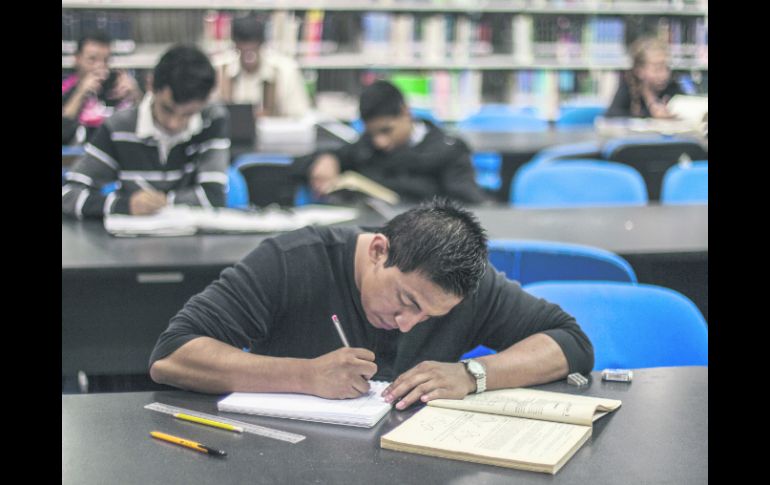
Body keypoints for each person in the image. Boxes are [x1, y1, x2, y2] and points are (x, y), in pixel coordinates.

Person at [149, 198, 593, 410]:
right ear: (379, 250)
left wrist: (473, 374)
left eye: (428, 316)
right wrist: (304, 375)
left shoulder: (463, 287)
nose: (407, 325)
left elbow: (570, 342)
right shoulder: (291, 261)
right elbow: (172, 356)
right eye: (405, 301)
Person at [62, 44, 229, 219]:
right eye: (167, 109)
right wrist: (125, 205)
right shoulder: (119, 126)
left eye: (188, 114)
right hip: (130, 243)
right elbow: (68, 195)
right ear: (150, 84)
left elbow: (214, 197)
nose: (174, 124)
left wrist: (162, 202)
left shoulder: (211, 119)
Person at [296, 80, 488, 205]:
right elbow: (298, 164)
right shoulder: (367, 147)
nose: (380, 142)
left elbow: (470, 204)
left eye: (386, 130)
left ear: (406, 113)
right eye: (372, 133)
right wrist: (327, 159)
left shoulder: (449, 151)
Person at [217, 14, 310, 118]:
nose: (248, 53)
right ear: (235, 46)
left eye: (253, 47)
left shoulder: (285, 70)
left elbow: (298, 117)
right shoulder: (220, 71)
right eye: (243, 47)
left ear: (261, 45)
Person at [62, 30, 142, 145]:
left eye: (105, 60)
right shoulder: (65, 88)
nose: (100, 66)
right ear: (77, 59)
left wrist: (136, 95)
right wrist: (81, 93)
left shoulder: (117, 87)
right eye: (92, 59)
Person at [605, 35, 684, 119]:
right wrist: (650, 115)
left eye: (667, 68)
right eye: (657, 68)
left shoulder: (672, 87)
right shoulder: (628, 86)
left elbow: (689, 107)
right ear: (639, 70)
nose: (664, 74)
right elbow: (611, 115)